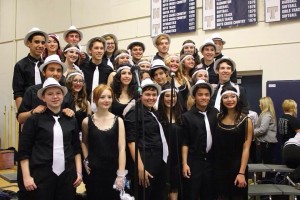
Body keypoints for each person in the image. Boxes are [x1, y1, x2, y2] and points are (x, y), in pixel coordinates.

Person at [18, 77, 82, 200]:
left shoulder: (71, 119)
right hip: (41, 175)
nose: (55, 97)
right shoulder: (34, 120)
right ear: (43, 97)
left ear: (63, 96)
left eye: (58, 93)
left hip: (67, 175)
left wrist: (78, 172)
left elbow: (76, 148)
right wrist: (26, 177)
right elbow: (24, 151)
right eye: (50, 94)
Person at [124, 78, 168, 200]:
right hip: (144, 159)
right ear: (140, 95)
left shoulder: (153, 112)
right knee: (144, 194)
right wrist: (141, 168)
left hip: (157, 159)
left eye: (154, 95)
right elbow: (132, 142)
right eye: (147, 94)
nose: (151, 98)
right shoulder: (134, 113)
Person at [81, 84, 127, 200]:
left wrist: (121, 174)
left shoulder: (118, 121)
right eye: (102, 97)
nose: (106, 100)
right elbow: (84, 142)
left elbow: (122, 148)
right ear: (95, 99)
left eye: (109, 97)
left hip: (113, 171)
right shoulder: (87, 121)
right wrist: (86, 159)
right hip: (94, 171)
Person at [213, 85, 252, 200]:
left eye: (232, 96)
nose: (229, 100)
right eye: (225, 97)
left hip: (237, 167)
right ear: (221, 100)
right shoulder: (217, 118)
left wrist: (241, 173)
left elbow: (246, 148)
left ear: (237, 98)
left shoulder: (246, 120)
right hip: (219, 167)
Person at [182, 79, 218, 200]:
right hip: (194, 161)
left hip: (211, 161)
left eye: (206, 95)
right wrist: (185, 163)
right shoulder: (187, 117)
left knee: (209, 193)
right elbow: (185, 142)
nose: (204, 97)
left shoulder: (215, 113)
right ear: (194, 96)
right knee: (191, 193)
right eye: (200, 94)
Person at [157, 84, 184, 200]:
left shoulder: (182, 116)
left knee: (175, 189)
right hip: (161, 159)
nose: (170, 99)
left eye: (173, 96)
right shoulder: (156, 116)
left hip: (177, 159)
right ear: (162, 98)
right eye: (167, 96)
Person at [13, 27, 48, 109]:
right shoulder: (20, 65)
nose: (40, 45)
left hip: (46, 107)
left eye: (43, 43)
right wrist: (22, 114)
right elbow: (18, 93)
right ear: (29, 43)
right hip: (28, 107)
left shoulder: (46, 65)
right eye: (37, 42)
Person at [79, 36, 113, 111]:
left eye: (101, 48)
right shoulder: (82, 68)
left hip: (103, 109)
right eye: (96, 48)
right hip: (84, 108)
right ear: (90, 50)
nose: (99, 51)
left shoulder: (109, 70)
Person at [254, 97, 278, 165]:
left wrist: (251, 132)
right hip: (267, 143)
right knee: (268, 163)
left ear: (264, 104)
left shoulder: (266, 115)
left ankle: (269, 176)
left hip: (267, 143)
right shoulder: (268, 114)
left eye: (260, 104)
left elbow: (262, 130)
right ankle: (268, 176)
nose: (259, 105)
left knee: (267, 164)